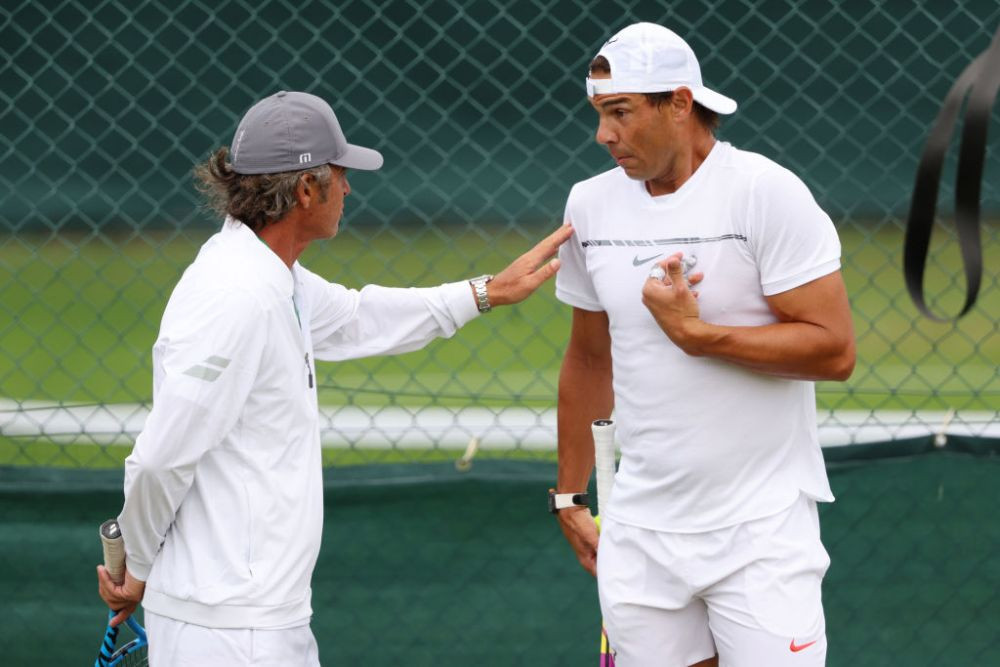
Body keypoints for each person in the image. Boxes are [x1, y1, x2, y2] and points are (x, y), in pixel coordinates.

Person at [96, 90, 573, 666]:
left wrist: (485, 292)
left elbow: (356, 317)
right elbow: (160, 458)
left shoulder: (275, 277)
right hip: (228, 630)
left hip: (258, 618)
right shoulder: (236, 296)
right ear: (304, 190)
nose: (349, 189)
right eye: (340, 176)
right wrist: (136, 566)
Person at [552, 23, 855, 667]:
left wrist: (697, 335)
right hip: (639, 532)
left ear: (681, 103)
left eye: (621, 112)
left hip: (761, 531)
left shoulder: (765, 192)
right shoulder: (589, 205)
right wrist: (568, 493)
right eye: (600, 114)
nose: (604, 135)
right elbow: (588, 357)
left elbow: (834, 350)